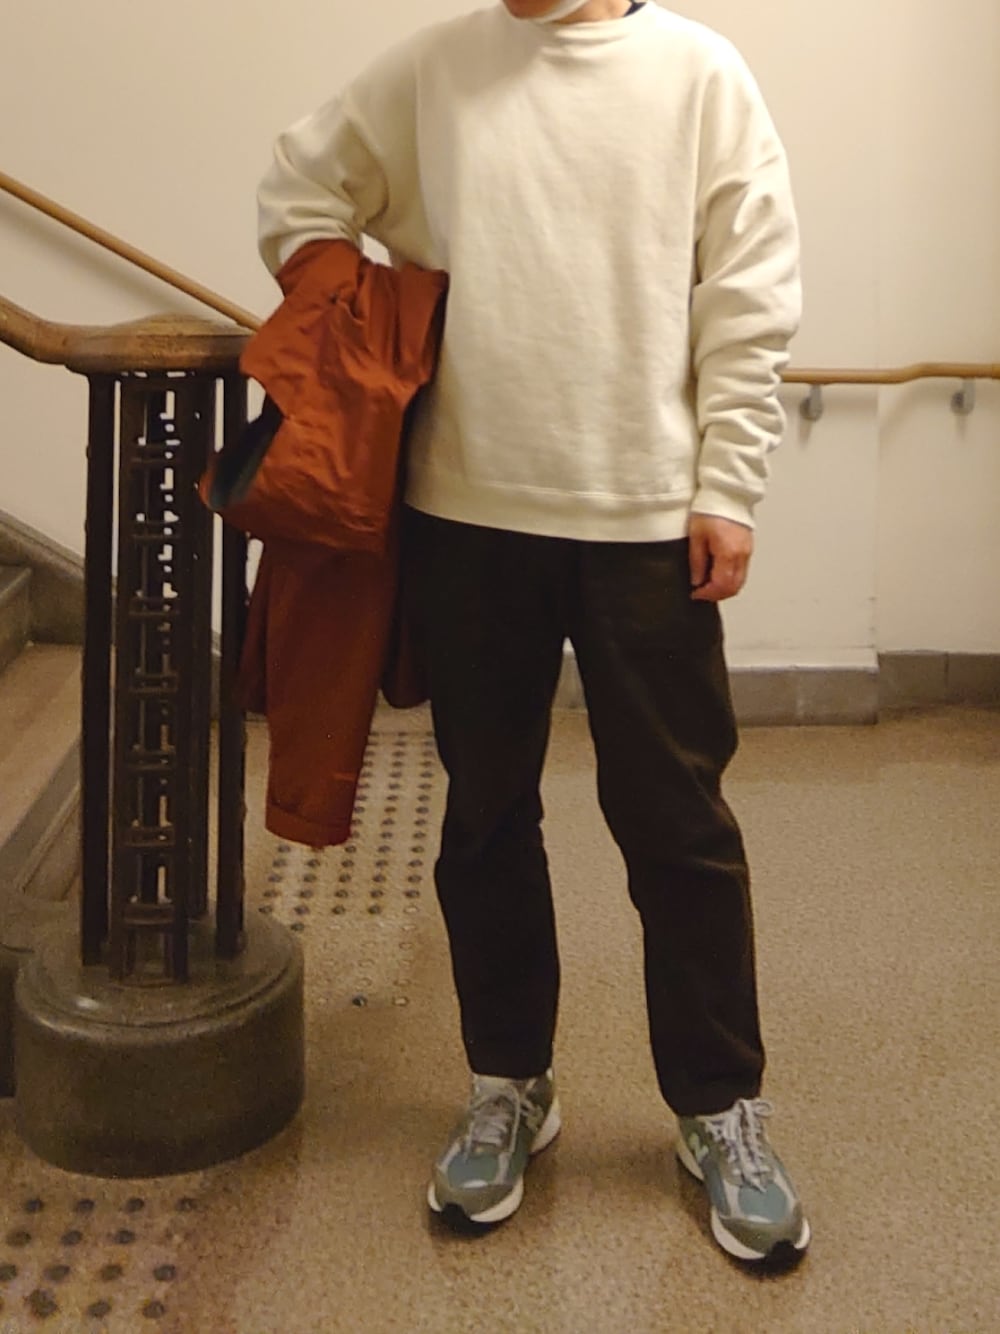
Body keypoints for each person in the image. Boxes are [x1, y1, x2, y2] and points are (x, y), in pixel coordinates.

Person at [258, 0, 809, 1265]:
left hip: (644, 517)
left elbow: (751, 288)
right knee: (485, 813)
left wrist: (727, 483)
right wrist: (353, 316)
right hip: (466, 515)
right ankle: (508, 1082)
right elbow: (298, 185)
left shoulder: (699, 74)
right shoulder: (436, 65)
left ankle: (719, 1107)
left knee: (678, 825)